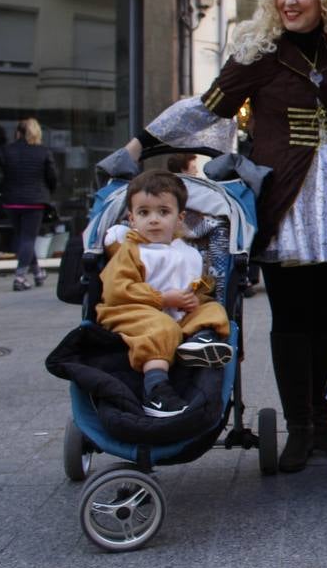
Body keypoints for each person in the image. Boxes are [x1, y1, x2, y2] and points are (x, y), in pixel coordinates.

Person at [114, 0, 327, 472]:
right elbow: (204, 110)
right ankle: (299, 426)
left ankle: (324, 421)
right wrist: (139, 145)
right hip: (284, 202)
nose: (291, 1)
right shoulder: (257, 54)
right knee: (291, 319)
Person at [96, 170, 234, 418]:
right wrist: (161, 299)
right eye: (144, 213)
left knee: (213, 309)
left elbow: (197, 286)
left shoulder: (188, 252)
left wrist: (195, 299)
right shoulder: (131, 251)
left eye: (163, 212)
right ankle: (156, 392)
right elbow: (117, 289)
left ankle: (199, 340)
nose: (154, 220)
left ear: (180, 218)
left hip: (178, 313)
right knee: (162, 328)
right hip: (132, 312)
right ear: (131, 219)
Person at [0, 117, 56, 291]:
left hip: (11, 201)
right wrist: (47, 192)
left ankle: (38, 272)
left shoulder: (7, 150)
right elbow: (52, 176)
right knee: (28, 239)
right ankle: (20, 276)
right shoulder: (43, 151)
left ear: (18, 133)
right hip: (34, 201)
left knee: (24, 238)